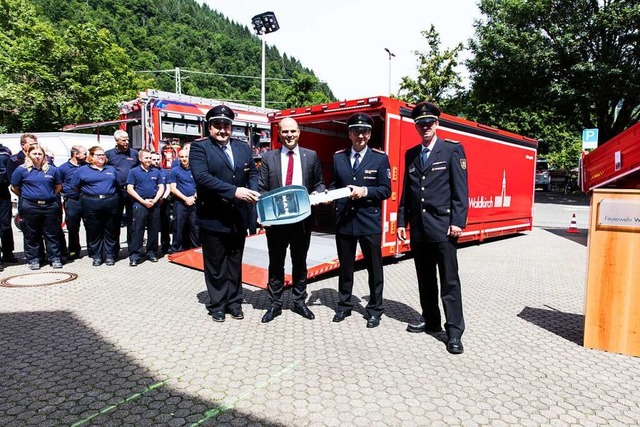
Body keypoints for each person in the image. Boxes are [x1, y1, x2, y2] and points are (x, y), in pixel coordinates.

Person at [397, 101, 469, 355]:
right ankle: (431, 321)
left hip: (443, 228)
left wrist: (458, 221)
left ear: (437, 124)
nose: (425, 127)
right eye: (420, 124)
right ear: (416, 127)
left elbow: (461, 191)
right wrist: (401, 222)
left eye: (429, 123)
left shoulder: (452, 150)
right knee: (425, 279)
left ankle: (454, 332)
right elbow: (408, 190)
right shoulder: (412, 154)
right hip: (419, 229)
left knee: (449, 281)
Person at [190, 105, 260, 323]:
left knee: (234, 261)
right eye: (218, 125)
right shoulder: (199, 147)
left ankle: (235, 302)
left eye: (226, 126)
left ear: (231, 127)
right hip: (213, 215)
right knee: (215, 263)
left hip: (237, 216)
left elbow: (253, 173)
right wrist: (234, 191)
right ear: (209, 127)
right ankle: (218, 304)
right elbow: (202, 177)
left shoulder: (242, 148)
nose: (223, 130)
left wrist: (253, 188)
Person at [258, 117, 325, 323]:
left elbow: (320, 183)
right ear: (279, 133)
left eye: (293, 131)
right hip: (277, 222)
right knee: (276, 262)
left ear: (299, 133)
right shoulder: (269, 157)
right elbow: (262, 188)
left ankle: (299, 301)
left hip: (302, 221)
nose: (289, 135)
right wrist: (263, 216)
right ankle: (275, 303)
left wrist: (318, 195)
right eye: (285, 132)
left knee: (299, 262)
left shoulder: (311, 156)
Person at [330, 113, 391, 328]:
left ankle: (375, 309)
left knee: (374, 267)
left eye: (365, 131)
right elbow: (335, 184)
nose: (360, 135)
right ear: (349, 133)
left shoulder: (380, 158)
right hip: (345, 221)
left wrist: (365, 191)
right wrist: (325, 195)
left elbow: (385, 190)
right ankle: (345, 305)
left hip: (368, 221)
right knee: (345, 267)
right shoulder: (338, 157)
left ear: (370, 134)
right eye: (356, 131)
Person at [10, 145, 63, 269]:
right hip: (30, 206)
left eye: (40, 154)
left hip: (50, 206)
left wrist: (49, 196)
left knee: (51, 234)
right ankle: (34, 259)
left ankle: (54, 258)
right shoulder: (21, 170)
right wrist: (28, 197)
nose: (37, 156)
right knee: (31, 234)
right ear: (29, 155)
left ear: (44, 156)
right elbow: (14, 188)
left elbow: (58, 186)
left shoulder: (52, 170)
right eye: (35, 154)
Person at [71, 146, 120, 266]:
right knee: (94, 231)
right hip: (91, 203)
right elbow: (74, 187)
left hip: (110, 202)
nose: (102, 157)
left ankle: (110, 255)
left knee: (111, 230)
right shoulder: (82, 171)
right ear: (91, 157)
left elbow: (118, 185)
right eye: (98, 155)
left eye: (103, 155)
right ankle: (97, 256)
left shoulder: (111, 169)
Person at [3, 134, 40, 263]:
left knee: (46, 229)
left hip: (44, 199)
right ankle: (31, 256)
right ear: (23, 145)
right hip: (26, 199)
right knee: (28, 229)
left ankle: (42, 254)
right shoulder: (14, 160)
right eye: (31, 143)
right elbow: (13, 182)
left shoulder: (42, 156)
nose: (35, 144)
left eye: (36, 142)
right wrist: (23, 195)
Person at [126, 149, 164, 266]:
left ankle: (152, 253)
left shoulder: (156, 172)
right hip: (140, 204)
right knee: (137, 230)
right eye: (146, 158)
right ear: (140, 159)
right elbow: (130, 188)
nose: (149, 160)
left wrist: (155, 200)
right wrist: (143, 201)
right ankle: (135, 255)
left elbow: (161, 187)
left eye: (150, 158)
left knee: (154, 230)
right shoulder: (133, 172)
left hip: (154, 203)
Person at [105, 130, 139, 255]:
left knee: (132, 221)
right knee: (114, 221)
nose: (127, 142)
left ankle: (133, 249)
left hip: (132, 192)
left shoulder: (134, 153)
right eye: (124, 140)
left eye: (128, 139)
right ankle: (113, 250)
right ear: (116, 140)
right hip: (116, 192)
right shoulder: (109, 154)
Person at [58, 145, 87, 260]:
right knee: (72, 227)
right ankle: (74, 251)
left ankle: (93, 250)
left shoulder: (87, 167)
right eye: (84, 154)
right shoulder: (63, 168)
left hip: (87, 200)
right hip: (72, 201)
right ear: (75, 154)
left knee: (91, 226)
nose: (86, 156)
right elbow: (58, 184)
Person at [168, 148, 199, 253]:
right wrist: (185, 199)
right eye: (182, 157)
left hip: (194, 202)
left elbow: (200, 186)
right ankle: (176, 250)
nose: (184, 159)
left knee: (194, 227)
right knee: (178, 227)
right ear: (178, 158)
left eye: (186, 156)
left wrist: (193, 197)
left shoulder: (195, 170)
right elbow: (173, 188)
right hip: (180, 203)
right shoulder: (174, 171)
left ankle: (196, 248)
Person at [151, 152, 172, 255]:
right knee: (153, 227)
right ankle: (152, 248)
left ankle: (166, 246)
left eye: (157, 159)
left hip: (164, 202)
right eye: (154, 159)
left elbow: (168, 186)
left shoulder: (165, 172)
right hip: (152, 203)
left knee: (165, 225)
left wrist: (163, 197)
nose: (156, 161)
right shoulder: (149, 172)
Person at [0, 142, 14, 269]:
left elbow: (6, 173)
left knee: (5, 225)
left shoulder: (5, 151)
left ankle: (8, 253)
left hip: (2, 194)